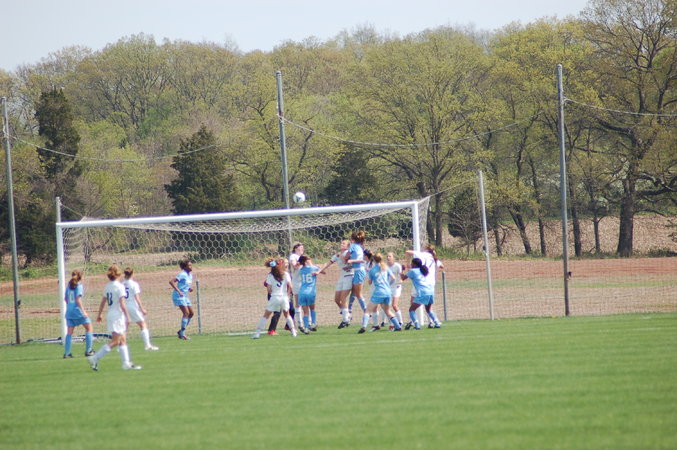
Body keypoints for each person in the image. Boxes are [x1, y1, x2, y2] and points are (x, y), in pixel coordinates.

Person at [87, 264, 141, 371]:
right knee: (116, 341)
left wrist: (99, 314)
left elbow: (103, 301)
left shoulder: (108, 286)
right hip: (117, 315)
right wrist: (128, 316)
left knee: (123, 339)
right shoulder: (119, 286)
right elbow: (122, 304)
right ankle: (94, 358)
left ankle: (126, 364)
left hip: (111, 314)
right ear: (118, 274)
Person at [252, 258, 297, 339]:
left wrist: (272, 293)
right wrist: (287, 295)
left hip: (274, 297)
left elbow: (269, 289)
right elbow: (290, 287)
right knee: (287, 315)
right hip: (284, 297)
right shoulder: (286, 274)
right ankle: (294, 332)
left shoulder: (270, 275)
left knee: (266, 315)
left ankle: (257, 333)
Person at [358, 253, 402, 333]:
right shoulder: (386, 267)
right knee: (387, 311)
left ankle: (364, 327)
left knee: (368, 310)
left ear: (374, 260)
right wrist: (388, 285)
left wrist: (371, 278)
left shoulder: (372, 270)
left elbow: (370, 282)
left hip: (378, 292)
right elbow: (393, 278)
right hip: (388, 292)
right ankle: (398, 327)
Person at [316, 240, 354, 328]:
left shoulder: (349, 253)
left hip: (349, 276)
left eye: (344, 243)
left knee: (343, 298)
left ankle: (345, 319)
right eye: (341, 243)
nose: (341, 244)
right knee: (337, 300)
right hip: (342, 277)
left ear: (348, 246)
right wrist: (319, 270)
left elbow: (349, 262)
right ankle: (347, 315)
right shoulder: (337, 255)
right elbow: (328, 263)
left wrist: (342, 258)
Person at [405, 244, 443, 328]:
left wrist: (407, 264)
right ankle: (432, 322)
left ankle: (412, 321)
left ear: (426, 249)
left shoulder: (422, 254)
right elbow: (441, 266)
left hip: (421, 282)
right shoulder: (434, 257)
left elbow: (407, 252)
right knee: (428, 306)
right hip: (431, 284)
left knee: (413, 303)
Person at [123, 267, 159, 351]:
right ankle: (147, 345)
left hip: (123, 306)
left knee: (125, 327)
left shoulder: (122, 283)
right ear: (132, 274)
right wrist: (142, 308)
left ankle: (121, 346)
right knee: (143, 324)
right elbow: (137, 298)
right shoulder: (134, 284)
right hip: (132, 306)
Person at [63, 270, 95, 358]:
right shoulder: (79, 286)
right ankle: (89, 351)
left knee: (69, 332)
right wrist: (84, 311)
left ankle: (67, 353)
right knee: (89, 327)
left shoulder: (68, 286)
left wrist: (70, 306)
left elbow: (65, 299)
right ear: (80, 277)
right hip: (77, 311)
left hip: (69, 312)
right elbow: (78, 300)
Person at [344, 230, 367, 329]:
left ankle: (367, 311)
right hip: (358, 271)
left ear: (352, 239)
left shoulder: (353, 246)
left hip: (359, 272)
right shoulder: (360, 247)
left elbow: (347, 257)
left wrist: (349, 260)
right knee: (353, 292)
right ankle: (349, 310)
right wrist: (349, 266)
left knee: (358, 294)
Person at [169, 259, 194, 340]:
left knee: (191, 313)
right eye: (189, 265)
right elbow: (171, 282)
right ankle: (182, 333)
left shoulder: (190, 275)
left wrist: (189, 288)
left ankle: (181, 331)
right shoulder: (182, 274)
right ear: (185, 267)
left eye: (191, 265)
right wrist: (179, 291)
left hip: (185, 296)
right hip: (178, 295)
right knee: (186, 313)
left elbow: (184, 284)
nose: (191, 267)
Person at [297, 255, 320, 333]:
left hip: (302, 292)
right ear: (307, 261)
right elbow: (323, 271)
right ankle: (313, 323)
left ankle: (306, 328)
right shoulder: (313, 268)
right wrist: (315, 266)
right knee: (312, 309)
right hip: (310, 292)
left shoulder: (301, 270)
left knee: (305, 312)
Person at [386, 252, 404, 329]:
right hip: (388, 287)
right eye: (387, 256)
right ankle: (391, 323)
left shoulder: (397, 266)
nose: (388, 257)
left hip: (396, 286)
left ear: (393, 258)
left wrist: (401, 280)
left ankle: (400, 321)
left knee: (394, 305)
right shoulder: (385, 266)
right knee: (387, 306)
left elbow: (402, 276)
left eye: (390, 256)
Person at [288, 243, 304, 331]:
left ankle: (308, 322)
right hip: (297, 283)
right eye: (300, 248)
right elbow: (294, 266)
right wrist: (299, 262)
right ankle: (300, 323)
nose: (302, 250)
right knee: (298, 303)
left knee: (306, 302)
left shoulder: (303, 257)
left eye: (303, 248)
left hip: (304, 282)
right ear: (295, 249)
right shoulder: (293, 256)